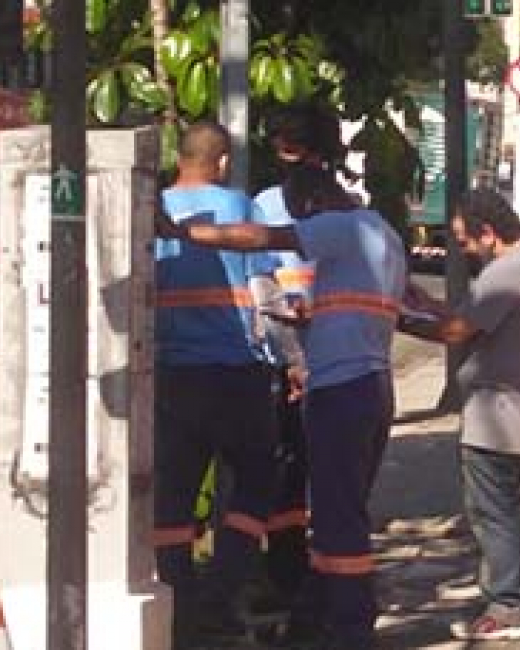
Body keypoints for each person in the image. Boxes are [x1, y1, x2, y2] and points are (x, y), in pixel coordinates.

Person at [157, 161, 408, 650]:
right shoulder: (385, 234)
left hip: (341, 387)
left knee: (337, 519)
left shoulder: (341, 227)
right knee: (338, 508)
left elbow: (260, 238)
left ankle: (351, 628)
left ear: (313, 205)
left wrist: (185, 232)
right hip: (370, 383)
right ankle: (312, 616)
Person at [399, 188, 520, 642]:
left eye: (465, 241)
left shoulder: (510, 272)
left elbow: (456, 331)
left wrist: (397, 319)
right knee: (504, 508)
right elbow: (472, 316)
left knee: (492, 512)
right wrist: (425, 304)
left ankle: (508, 606)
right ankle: (514, 589)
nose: (463, 250)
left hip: (500, 416)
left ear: (488, 234)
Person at [152, 119, 281, 646]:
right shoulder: (240, 210)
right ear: (223, 161)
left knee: (174, 496)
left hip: (171, 373)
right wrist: (288, 360)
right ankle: (222, 591)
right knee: (255, 482)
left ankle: (177, 598)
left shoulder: (153, 209)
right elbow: (268, 294)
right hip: (237, 372)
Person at [250, 102, 352, 614]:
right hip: (314, 364)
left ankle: (304, 579)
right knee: (305, 473)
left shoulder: (276, 206)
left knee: (305, 471)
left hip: (314, 364)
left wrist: (295, 363)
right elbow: (265, 293)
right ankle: (300, 576)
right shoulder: (341, 206)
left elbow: (264, 291)